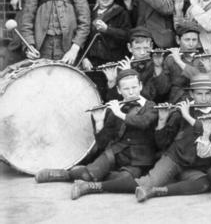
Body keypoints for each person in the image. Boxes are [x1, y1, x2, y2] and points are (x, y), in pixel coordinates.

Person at [35, 70, 158, 199]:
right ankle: (64, 174)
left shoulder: (150, 106)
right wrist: (99, 122)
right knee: (87, 175)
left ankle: (90, 184)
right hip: (116, 153)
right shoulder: (116, 108)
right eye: (126, 89)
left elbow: (143, 122)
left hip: (139, 159)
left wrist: (120, 114)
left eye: (134, 87)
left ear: (141, 86)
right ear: (119, 90)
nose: (131, 92)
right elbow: (102, 143)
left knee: (124, 179)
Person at [134, 74, 211, 202]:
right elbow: (163, 143)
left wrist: (187, 116)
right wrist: (162, 120)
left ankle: (159, 191)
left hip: (199, 165)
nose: (204, 98)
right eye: (199, 94)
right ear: (192, 94)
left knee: (204, 184)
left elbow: (209, 133)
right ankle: (104, 184)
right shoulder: (181, 110)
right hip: (174, 158)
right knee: (147, 183)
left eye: (208, 94)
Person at [82, 0, 132, 99]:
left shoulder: (120, 12)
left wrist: (107, 30)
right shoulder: (89, 13)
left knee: (111, 96)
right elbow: (82, 38)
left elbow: (127, 35)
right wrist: (84, 58)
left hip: (112, 64)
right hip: (93, 64)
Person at [104, 27, 171, 103]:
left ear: (151, 46)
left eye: (146, 48)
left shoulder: (157, 64)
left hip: (151, 109)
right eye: (137, 48)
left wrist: (158, 67)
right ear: (129, 48)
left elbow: (153, 95)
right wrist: (112, 83)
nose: (142, 52)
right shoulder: (122, 67)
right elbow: (113, 101)